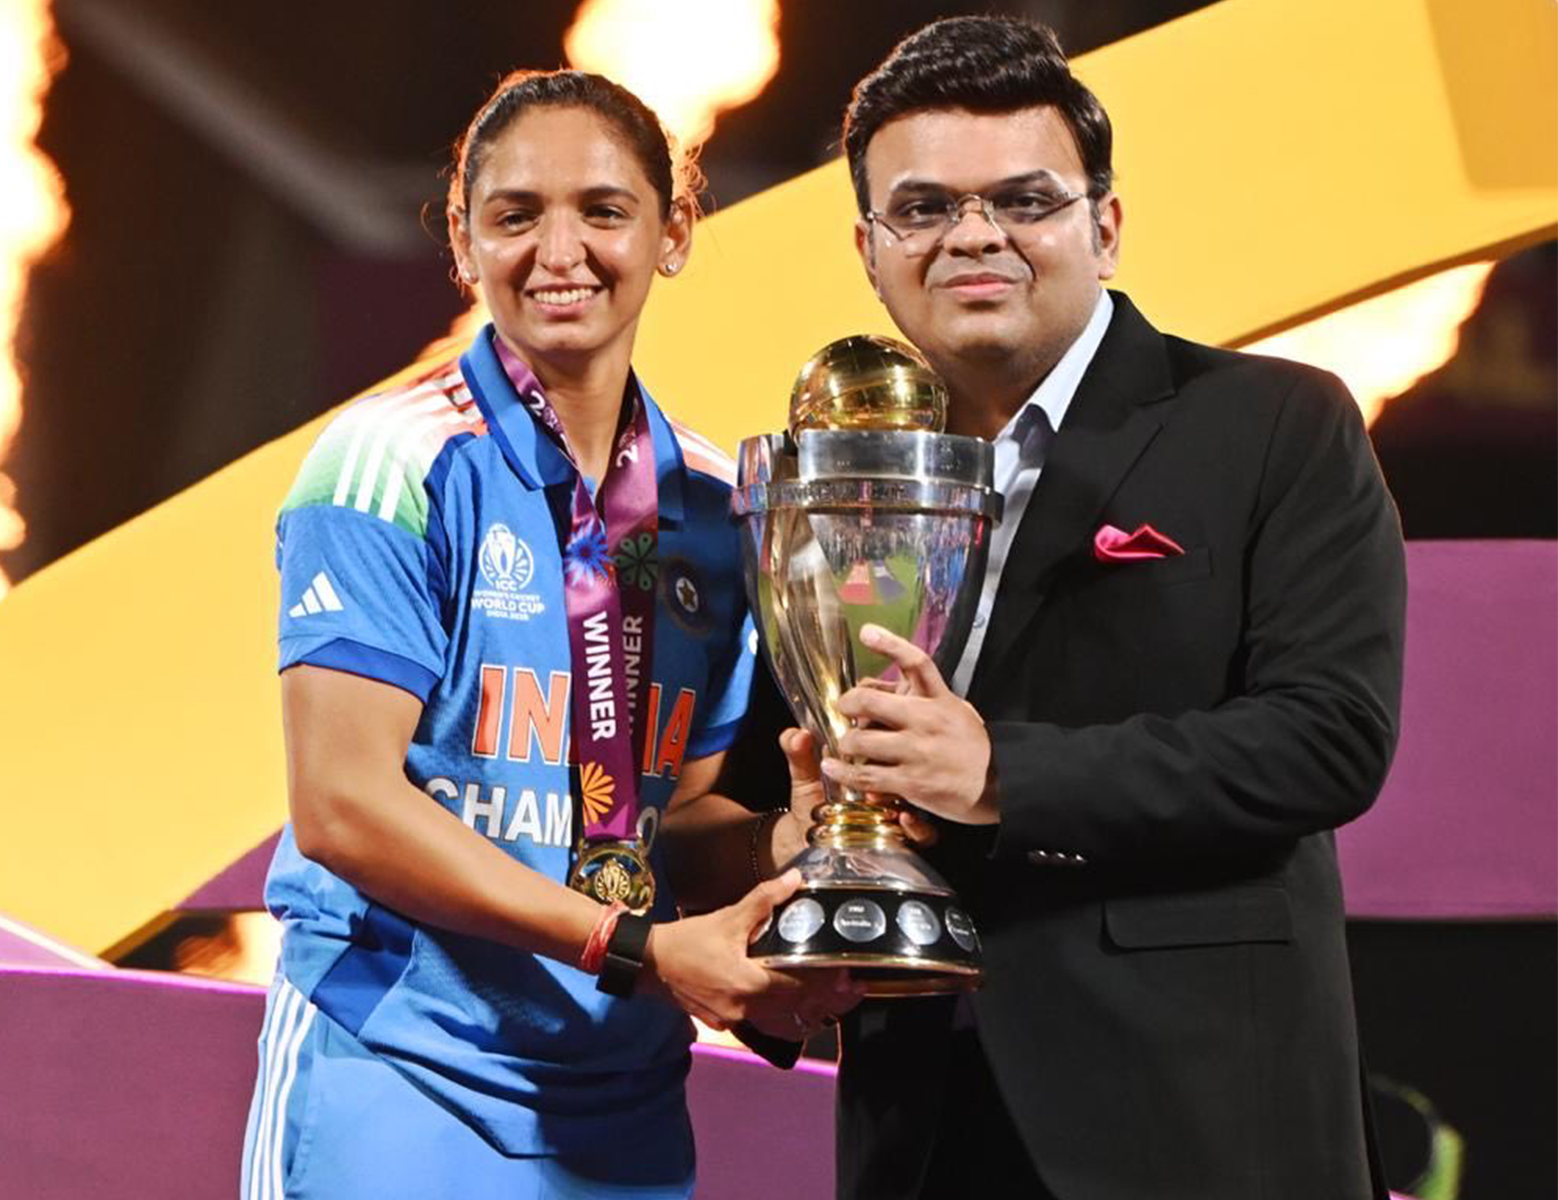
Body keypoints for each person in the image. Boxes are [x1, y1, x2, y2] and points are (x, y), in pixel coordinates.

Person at [713, 16, 1406, 1200]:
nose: (974, 234)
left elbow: (1325, 739)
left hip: (1200, 1125)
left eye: (1023, 199)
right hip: (919, 1126)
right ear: (870, 248)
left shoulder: (1274, 423)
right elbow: (753, 794)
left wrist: (998, 774)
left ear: (1106, 224)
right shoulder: (833, 477)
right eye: (923, 207)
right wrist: (812, 837)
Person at [238, 69, 856, 1200]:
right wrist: (640, 951)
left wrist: (791, 841)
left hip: (617, 1098)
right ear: (463, 247)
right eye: (516, 215)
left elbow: (671, 816)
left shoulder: (721, 508)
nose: (557, 250)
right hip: (405, 1070)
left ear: (672, 233)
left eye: (603, 211)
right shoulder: (389, 461)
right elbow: (341, 806)